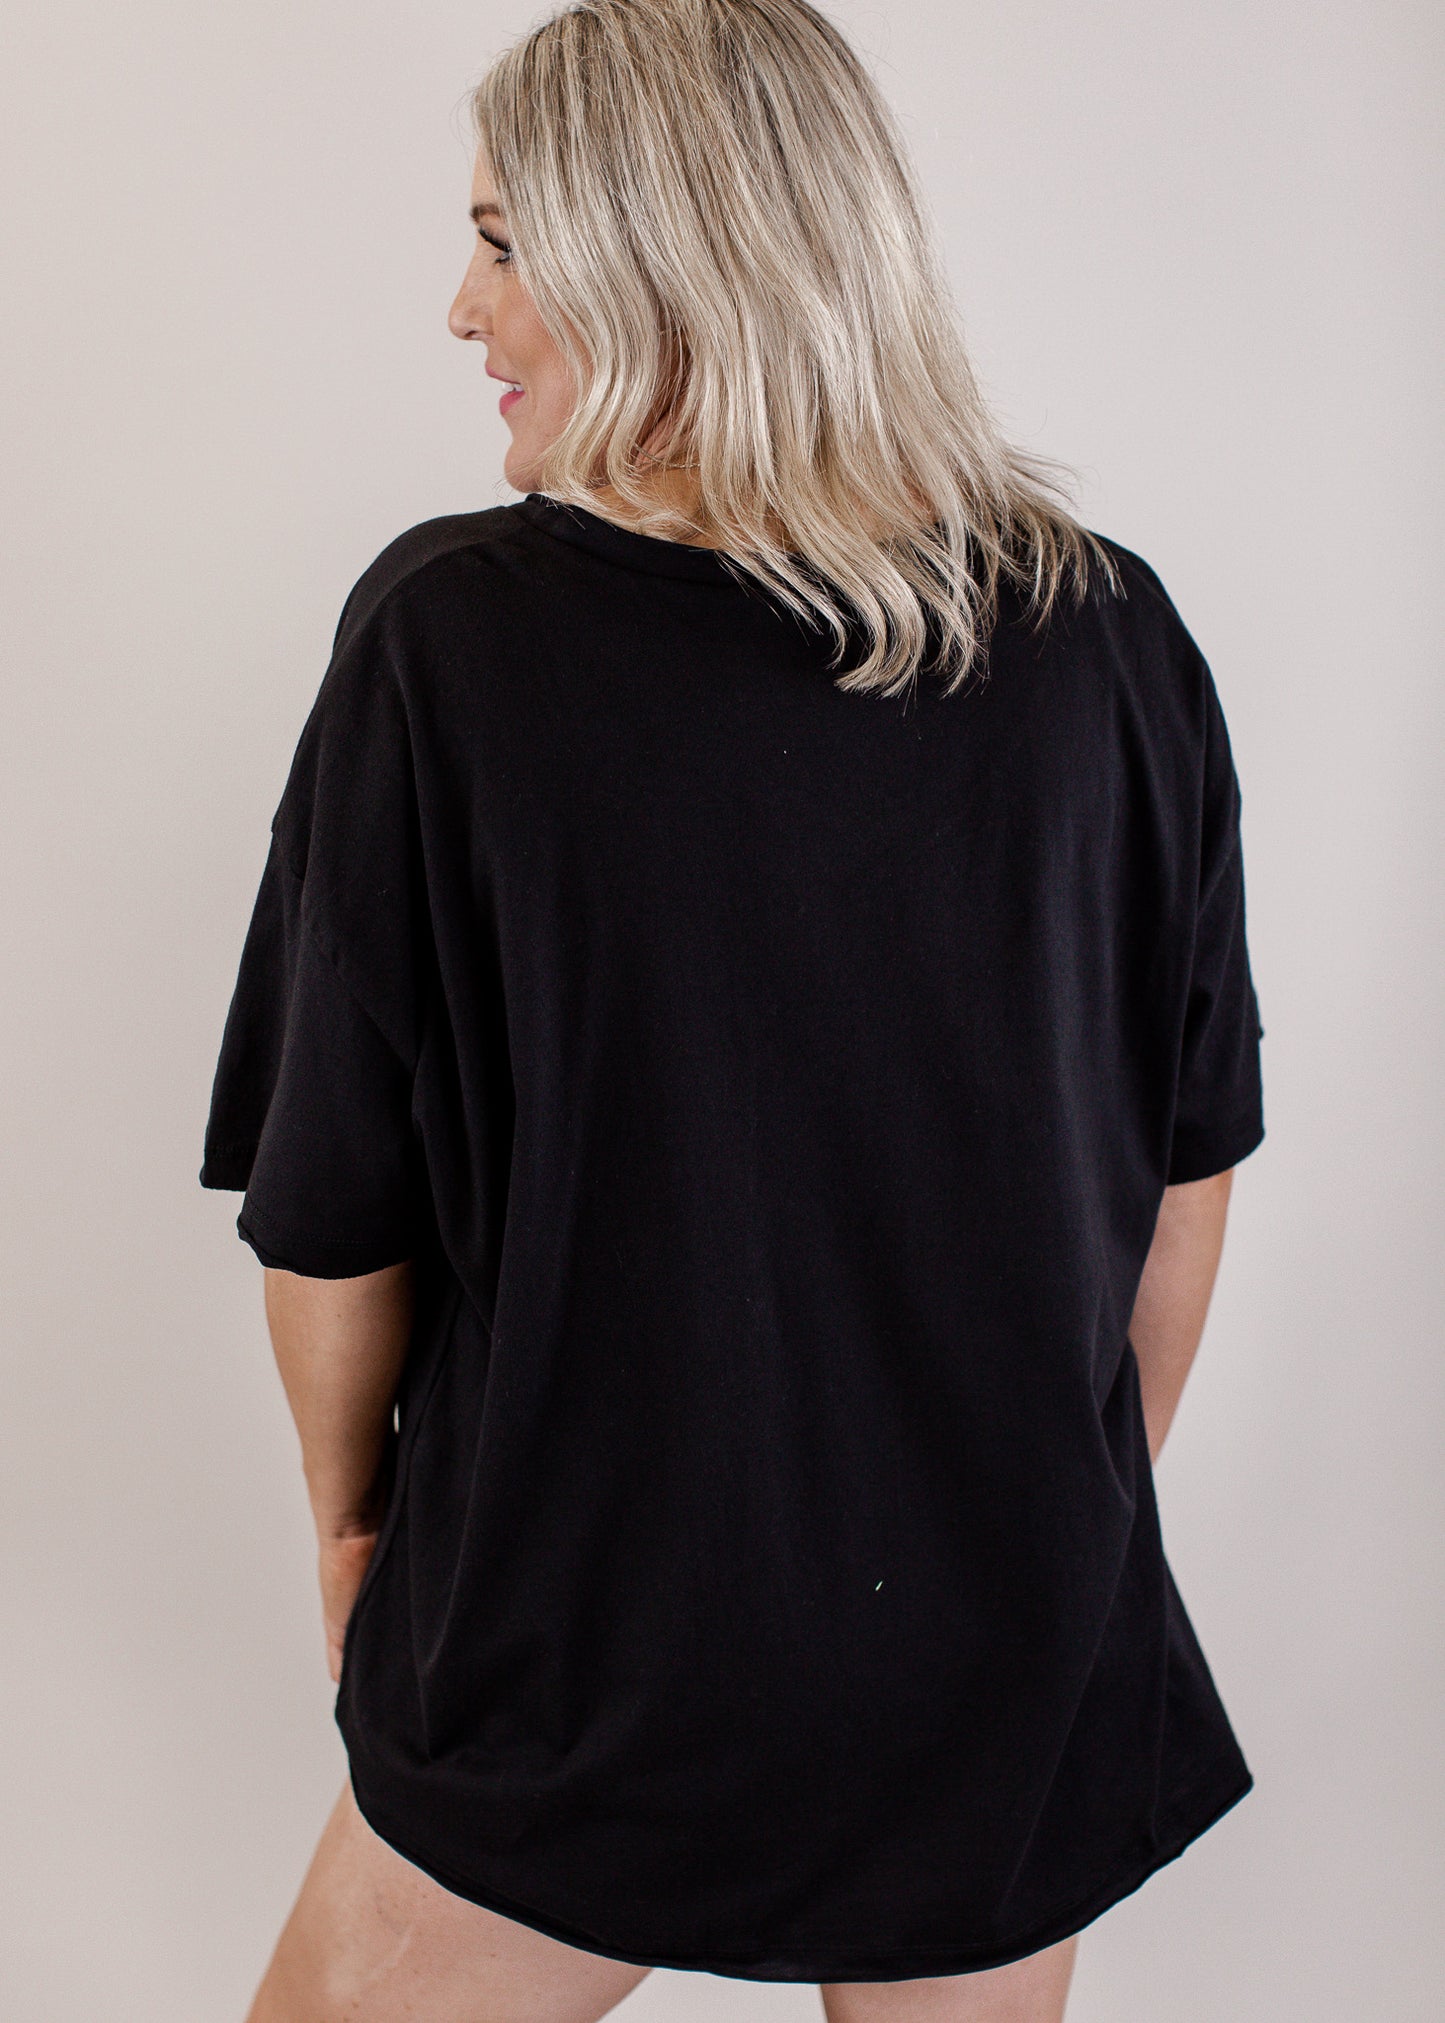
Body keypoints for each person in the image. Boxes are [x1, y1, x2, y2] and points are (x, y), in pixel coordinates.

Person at [198, 1, 1265, 2017]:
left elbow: (336, 1215)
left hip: (569, 1651)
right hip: (994, 1664)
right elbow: (1182, 1174)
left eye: (504, 243)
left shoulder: (451, 643)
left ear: (667, 259)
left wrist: (351, 1532)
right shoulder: (1110, 636)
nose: (461, 306)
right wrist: (1035, 1534)